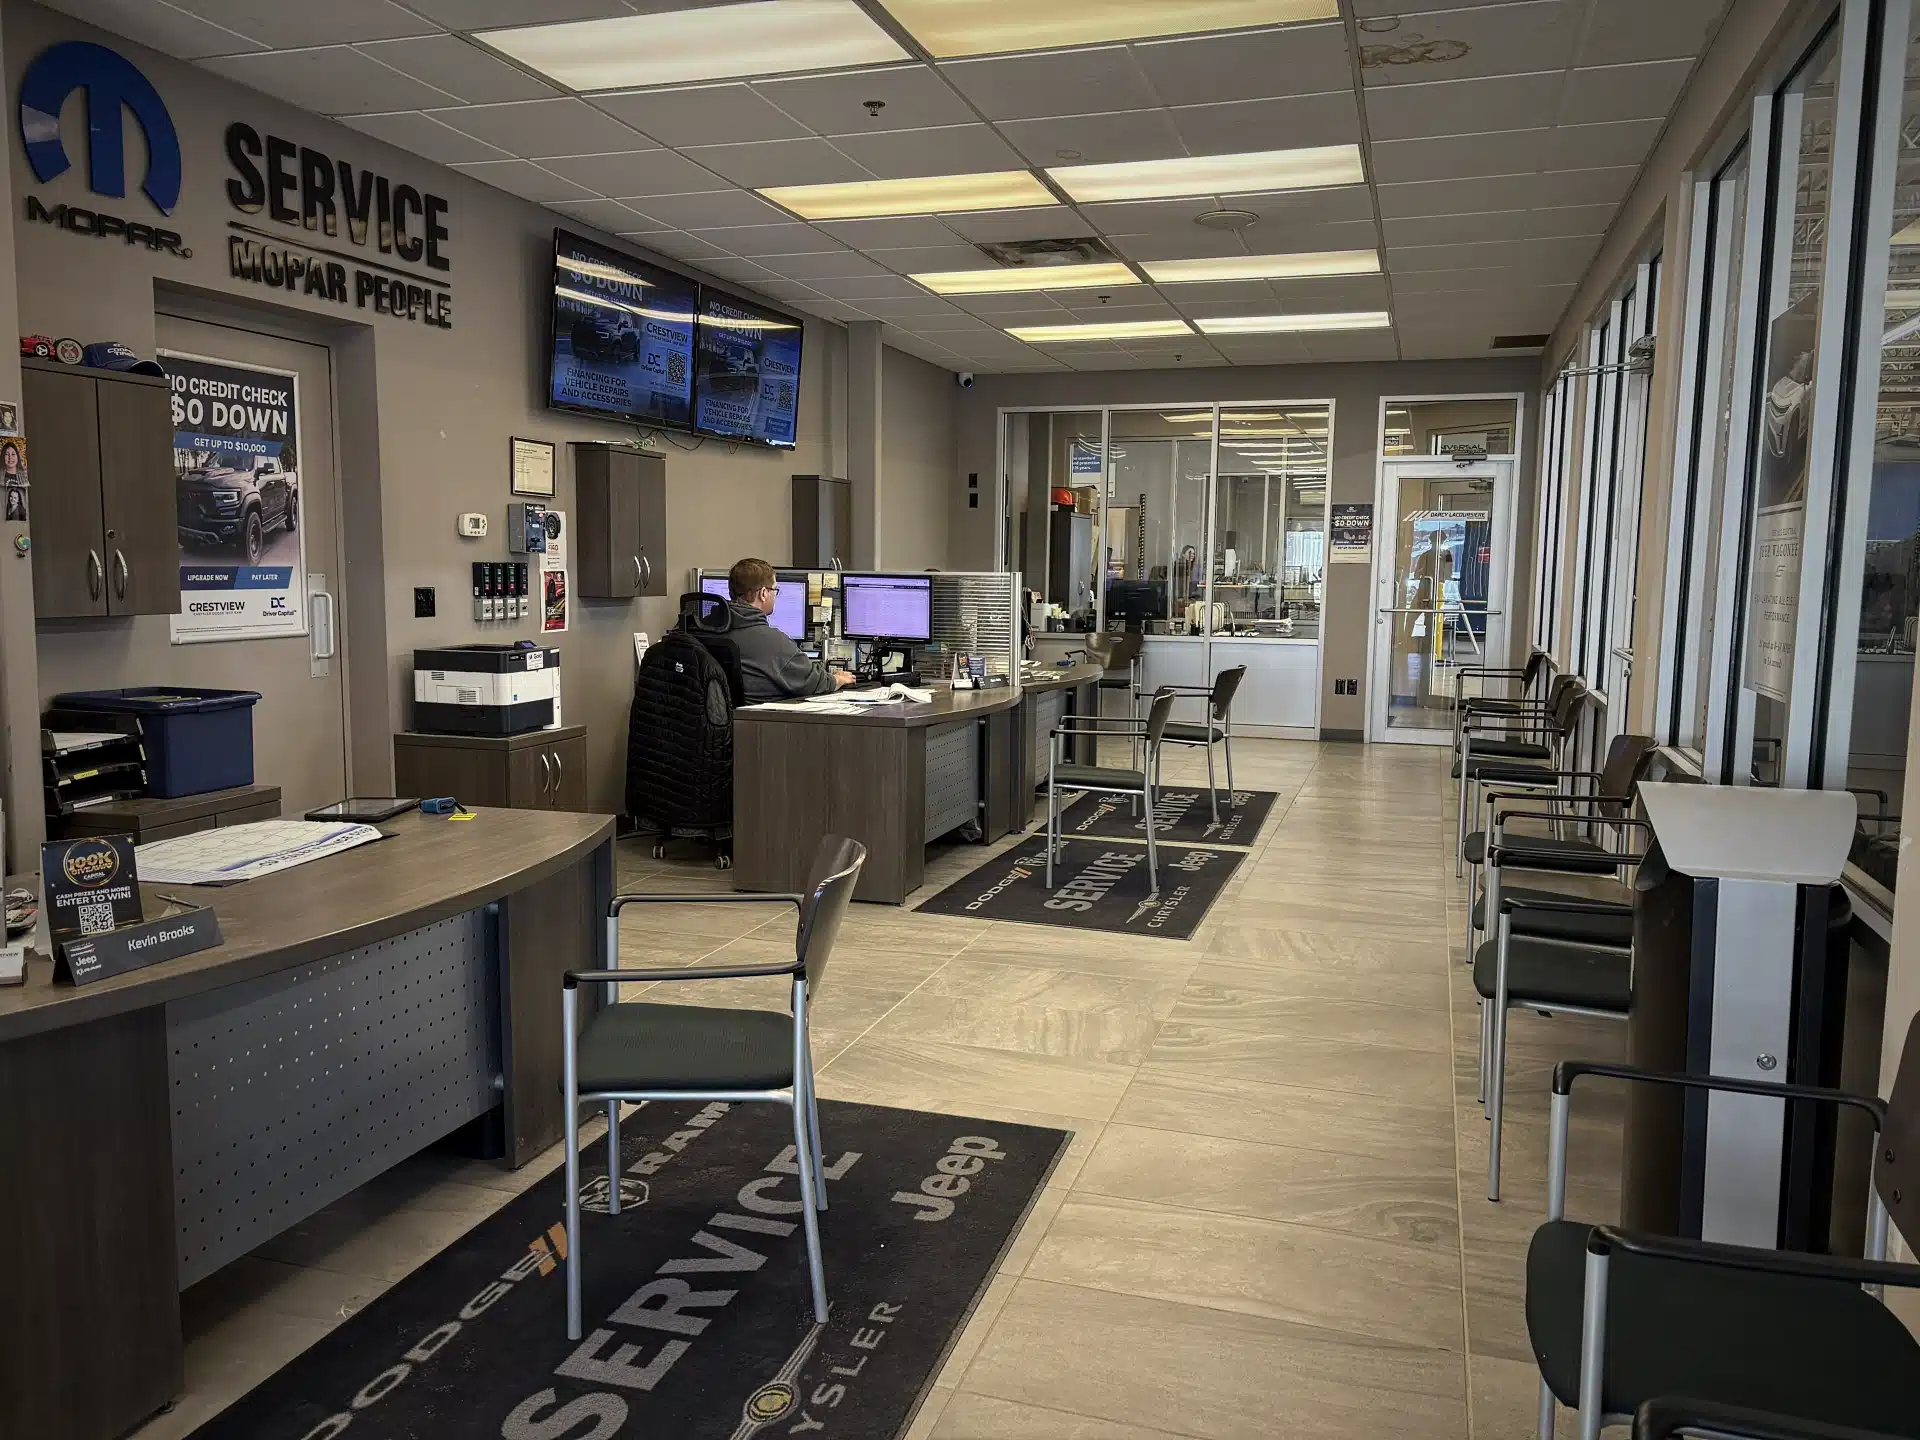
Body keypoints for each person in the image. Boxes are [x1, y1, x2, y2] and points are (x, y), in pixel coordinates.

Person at [725, 557, 854, 702]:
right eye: (775, 590)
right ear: (763, 593)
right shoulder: (772, 642)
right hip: (763, 719)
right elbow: (812, 682)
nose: (775, 595)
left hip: (724, 719)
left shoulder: (709, 629)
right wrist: (837, 679)